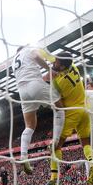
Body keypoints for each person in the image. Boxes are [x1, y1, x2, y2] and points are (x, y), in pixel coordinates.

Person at [39, 52, 93, 185]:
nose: (53, 63)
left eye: (56, 62)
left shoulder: (58, 81)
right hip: (85, 109)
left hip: (71, 113)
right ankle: (92, 162)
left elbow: (60, 104)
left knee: (56, 146)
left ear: (62, 65)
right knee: (85, 143)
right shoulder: (73, 66)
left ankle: (53, 178)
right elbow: (53, 59)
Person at [12, 46, 64, 174]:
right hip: (34, 83)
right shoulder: (28, 49)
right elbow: (36, 56)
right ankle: (55, 142)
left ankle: (24, 155)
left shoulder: (13, 61)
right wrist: (49, 69)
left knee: (29, 126)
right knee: (59, 108)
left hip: (22, 92)